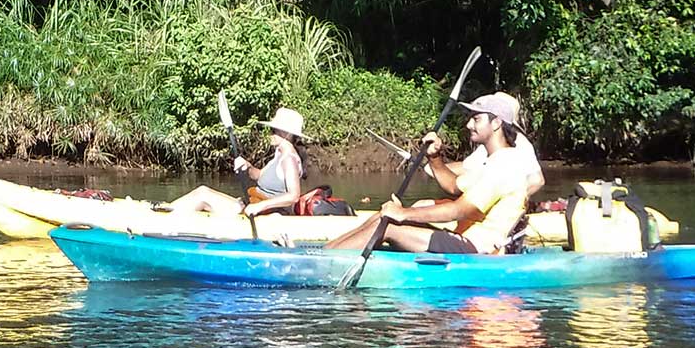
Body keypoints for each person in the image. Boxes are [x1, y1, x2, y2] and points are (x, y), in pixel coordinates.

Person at [324, 93, 531, 255]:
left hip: (479, 248)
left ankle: (324, 263)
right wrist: (435, 157)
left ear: (496, 123)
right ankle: (325, 253)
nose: (469, 125)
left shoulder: (505, 164)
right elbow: (453, 186)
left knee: (390, 227)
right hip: (463, 239)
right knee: (384, 216)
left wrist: (403, 213)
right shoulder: (490, 161)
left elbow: (459, 210)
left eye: (476, 119)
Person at [168, 106, 306, 218]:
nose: (269, 134)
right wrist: (248, 166)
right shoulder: (279, 154)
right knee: (203, 190)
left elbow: (293, 196)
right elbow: (258, 175)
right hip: (250, 203)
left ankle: (166, 220)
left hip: (263, 213)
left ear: (286, 133)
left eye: (273, 130)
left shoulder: (289, 159)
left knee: (204, 197)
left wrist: (259, 207)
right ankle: (165, 211)